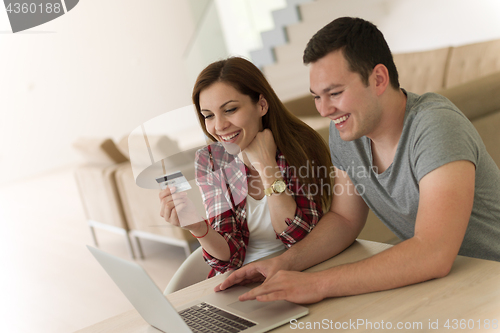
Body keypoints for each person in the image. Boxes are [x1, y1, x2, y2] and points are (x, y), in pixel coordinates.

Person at [216, 17, 500, 304]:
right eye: (317, 97)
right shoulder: (347, 133)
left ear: (378, 79)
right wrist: (284, 264)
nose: (325, 110)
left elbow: (433, 253)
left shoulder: (436, 125)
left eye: (335, 93)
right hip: (453, 287)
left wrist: (317, 284)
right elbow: (344, 219)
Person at [159, 57, 333, 277]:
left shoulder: (300, 146)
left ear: (261, 104)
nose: (219, 126)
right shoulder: (211, 160)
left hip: (299, 271)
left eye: (230, 110)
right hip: (239, 278)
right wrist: (196, 226)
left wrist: (267, 166)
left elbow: (298, 236)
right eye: (208, 116)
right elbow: (230, 257)